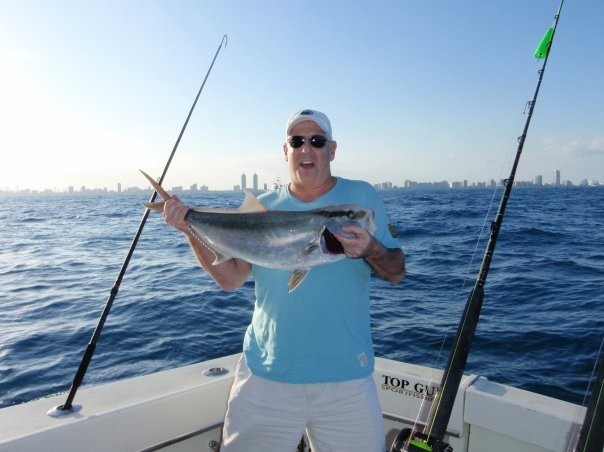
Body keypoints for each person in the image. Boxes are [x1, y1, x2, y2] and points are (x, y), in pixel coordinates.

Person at [162, 108, 405, 451]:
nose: (307, 148)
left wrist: (372, 248)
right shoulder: (261, 207)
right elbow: (230, 279)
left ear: (331, 150)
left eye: (317, 141)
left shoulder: (362, 198)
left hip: (346, 377)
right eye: (297, 141)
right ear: (285, 150)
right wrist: (190, 227)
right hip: (266, 375)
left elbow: (396, 272)